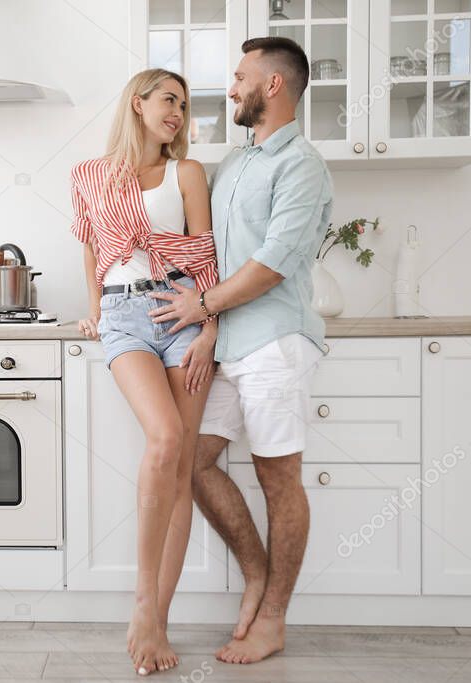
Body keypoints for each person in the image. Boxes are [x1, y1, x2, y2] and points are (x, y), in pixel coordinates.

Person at [148, 36, 334, 665]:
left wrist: (201, 310)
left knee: (278, 479)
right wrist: (205, 326)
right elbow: (211, 259)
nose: (230, 88)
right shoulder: (235, 162)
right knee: (195, 463)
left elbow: (271, 266)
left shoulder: (301, 164)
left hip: (277, 340)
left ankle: (274, 619)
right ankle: (255, 576)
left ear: (272, 85)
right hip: (227, 343)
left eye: (238, 76)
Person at [69, 68, 219, 675]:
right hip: (127, 316)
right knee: (164, 439)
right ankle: (141, 602)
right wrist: (95, 311)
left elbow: (205, 253)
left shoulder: (188, 173)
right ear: (138, 104)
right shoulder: (93, 176)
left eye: (184, 105)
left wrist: (209, 327)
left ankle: (158, 616)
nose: (178, 113)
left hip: (182, 312)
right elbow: (90, 247)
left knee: (180, 464)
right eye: (168, 100)